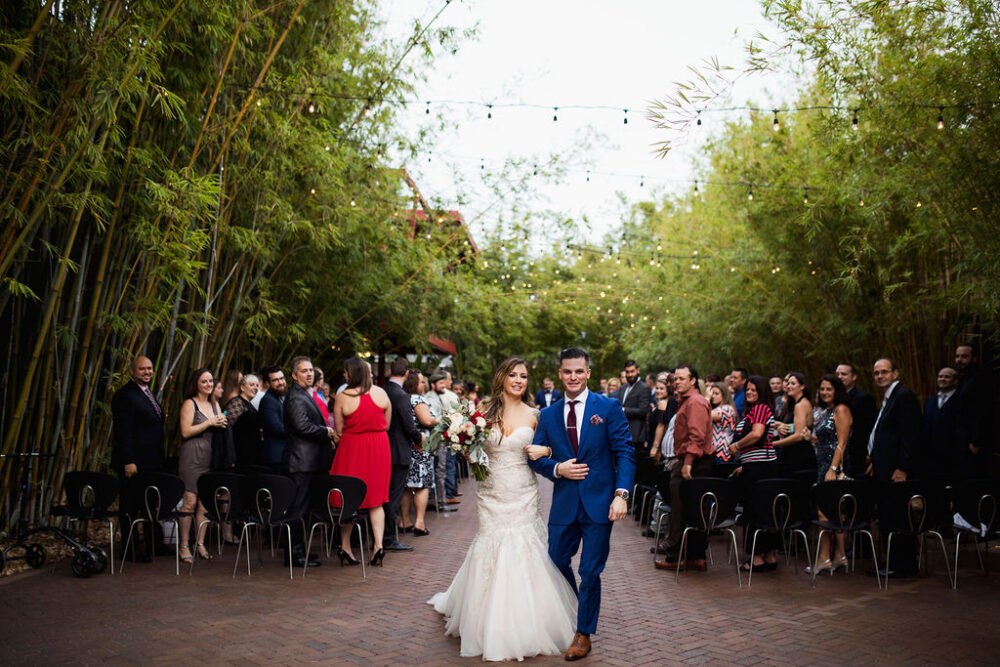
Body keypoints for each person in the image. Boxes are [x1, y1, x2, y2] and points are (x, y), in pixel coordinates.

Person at [429, 357, 578, 662]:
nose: (518, 380)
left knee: (525, 548)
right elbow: (466, 443)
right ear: (502, 377)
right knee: (492, 546)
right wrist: (465, 446)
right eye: (513, 374)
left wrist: (547, 450)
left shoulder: (537, 415)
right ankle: (486, 620)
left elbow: (557, 451)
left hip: (523, 492)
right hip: (491, 492)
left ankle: (530, 621)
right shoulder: (482, 410)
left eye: (523, 375)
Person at [527, 347, 636, 661]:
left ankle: (583, 632)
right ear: (560, 374)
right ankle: (577, 607)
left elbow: (625, 453)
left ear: (588, 373)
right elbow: (535, 456)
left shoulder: (609, 407)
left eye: (578, 371)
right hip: (564, 503)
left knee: (590, 571)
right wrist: (557, 468)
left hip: (601, 503)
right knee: (556, 561)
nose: (572, 377)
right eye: (567, 371)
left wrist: (621, 494)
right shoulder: (547, 415)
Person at [330, 357, 392, 566]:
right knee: (376, 500)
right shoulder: (381, 393)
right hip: (379, 448)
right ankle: (378, 546)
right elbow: (387, 423)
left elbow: (338, 430)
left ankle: (346, 547)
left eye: (346, 372)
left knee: (348, 498)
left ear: (353, 373)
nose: (344, 375)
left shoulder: (342, 397)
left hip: (351, 449)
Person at [655, 365, 714, 572]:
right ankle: (692, 557)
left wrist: (688, 462)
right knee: (688, 509)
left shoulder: (696, 402)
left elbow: (696, 436)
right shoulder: (687, 402)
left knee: (683, 509)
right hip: (692, 460)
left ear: (693, 380)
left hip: (696, 462)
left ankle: (678, 557)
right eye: (675, 378)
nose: (677, 382)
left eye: (682, 378)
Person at [868, 358, 922, 578]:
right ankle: (893, 563)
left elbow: (910, 436)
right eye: (876, 373)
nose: (880, 376)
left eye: (884, 372)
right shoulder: (889, 398)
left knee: (898, 517)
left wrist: (903, 468)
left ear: (895, 373)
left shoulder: (904, 396)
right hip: (882, 469)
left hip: (896, 472)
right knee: (888, 518)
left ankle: (901, 566)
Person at [110, 355, 165, 562]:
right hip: (134, 462)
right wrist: (128, 460)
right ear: (132, 371)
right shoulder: (125, 395)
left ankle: (153, 544)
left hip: (150, 461)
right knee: (130, 506)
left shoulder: (147, 393)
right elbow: (122, 432)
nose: (147, 372)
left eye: (150, 368)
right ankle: (130, 548)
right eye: (142, 369)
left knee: (150, 503)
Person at [283, 356, 335, 568]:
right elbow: (302, 427)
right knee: (298, 510)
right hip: (301, 463)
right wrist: (327, 432)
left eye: (311, 370)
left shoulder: (304, 394)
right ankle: (294, 555)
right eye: (304, 371)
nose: (309, 374)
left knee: (305, 511)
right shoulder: (295, 397)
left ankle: (301, 551)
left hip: (309, 462)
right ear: (294, 375)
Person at [726, 375, 778, 571]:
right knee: (765, 509)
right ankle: (769, 554)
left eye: (754, 390)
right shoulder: (753, 411)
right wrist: (744, 465)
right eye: (747, 389)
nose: (749, 392)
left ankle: (757, 557)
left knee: (756, 510)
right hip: (755, 466)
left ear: (762, 392)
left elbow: (757, 434)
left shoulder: (761, 408)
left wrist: (736, 446)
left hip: (761, 468)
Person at [177, 368, 228, 564]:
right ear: (196, 384)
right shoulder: (190, 403)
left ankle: (200, 543)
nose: (208, 385)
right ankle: (183, 545)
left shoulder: (214, 403)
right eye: (204, 381)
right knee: (189, 501)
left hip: (210, 456)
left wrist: (221, 422)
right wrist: (210, 423)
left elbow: (217, 426)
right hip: (192, 456)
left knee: (205, 503)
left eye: (210, 381)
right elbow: (185, 431)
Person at [807, 374, 852, 575]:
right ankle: (840, 556)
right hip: (823, 464)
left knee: (824, 513)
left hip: (834, 467)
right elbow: (826, 441)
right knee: (835, 513)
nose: (824, 392)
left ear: (837, 391)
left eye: (829, 389)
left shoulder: (841, 410)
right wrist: (812, 438)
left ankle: (824, 558)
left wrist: (833, 470)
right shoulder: (826, 411)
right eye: (822, 389)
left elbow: (842, 443)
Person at [382, 358, 421, 552]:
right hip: (398, 452)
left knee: (383, 495)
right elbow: (409, 426)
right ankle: (389, 538)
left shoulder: (381, 390)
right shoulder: (402, 396)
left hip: (381, 450)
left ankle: (381, 536)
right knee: (393, 496)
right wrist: (419, 438)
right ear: (406, 374)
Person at [401, 372, 436, 535]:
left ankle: (404, 521)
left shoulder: (403, 398)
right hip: (420, 448)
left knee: (407, 486)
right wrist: (442, 420)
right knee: (422, 485)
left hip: (408, 447)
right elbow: (427, 420)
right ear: (415, 384)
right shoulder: (417, 399)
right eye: (422, 382)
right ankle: (420, 523)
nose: (424, 384)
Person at [836, 363, 877, 479]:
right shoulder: (833, 398)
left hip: (856, 456)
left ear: (854, 377)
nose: (839, 377)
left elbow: (868, 429)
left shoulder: (864, 398)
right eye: (837, 374)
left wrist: (870, 455)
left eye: (843, 374)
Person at [772, 372, 817, 478]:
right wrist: (780, 425)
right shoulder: (798, 404)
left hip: (798, 455)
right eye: (788, 383)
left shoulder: (800, 405)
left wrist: (773, 444)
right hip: (795, 453)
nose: (788, 386)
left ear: (802, 386)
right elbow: (799, 426)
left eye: (793, 383)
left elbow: (798, 436)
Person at [922, 367, 960, 483]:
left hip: (954, 456)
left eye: (947, 377)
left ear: (955, 381)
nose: (942, 379)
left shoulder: (961, 400)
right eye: (940, 376)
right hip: (931, 458)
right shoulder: (929, 401)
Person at [224, 373, 262, 467]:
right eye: (252, 385)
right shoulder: (236, 402)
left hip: (248, 453)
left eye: (257, 385)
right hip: (237, 452)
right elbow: (229, 428)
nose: (255, 388)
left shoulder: (250, 404)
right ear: (242, 387)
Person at [258, 365, 287, 472]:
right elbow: (276, 428)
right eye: (275, 380)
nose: (280, 382)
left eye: (281, 378)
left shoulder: (280, 397)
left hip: (281, 455)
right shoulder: (268, 401)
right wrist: (296, 430)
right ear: (267, 384)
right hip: (275, 457)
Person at [707, 381, 738, 467]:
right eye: (712, 393)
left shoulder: (727, 409)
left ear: (724, 395)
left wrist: (706, 398)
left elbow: (704, 415)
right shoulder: (717, 408)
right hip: (714, 454)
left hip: (721, 454)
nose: (712, 396)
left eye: (716, 393)